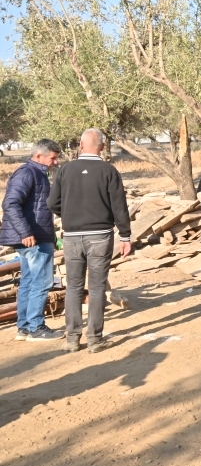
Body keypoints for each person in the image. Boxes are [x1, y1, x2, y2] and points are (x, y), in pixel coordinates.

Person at [47, 129, 132, 353]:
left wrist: (69, 215)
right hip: (100, 236)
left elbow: (52, 202)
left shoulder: (65, 170)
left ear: (80, 145)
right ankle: (95, 339)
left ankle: (72, 338)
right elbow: (119, 207)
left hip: (72, 237)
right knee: (96, 288)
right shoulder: (108, 171)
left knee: (73, 287)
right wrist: (125, 235)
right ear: (102, 147)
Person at [1, 140, 63, 342]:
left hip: (34, 236)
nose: (55, 162)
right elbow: (10, 203)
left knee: (28, 281)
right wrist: (26, 232)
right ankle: (36, 327)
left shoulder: (36, 173)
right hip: (32, 237)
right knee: (42, 281)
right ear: (39, 156)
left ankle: (25, 327)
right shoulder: (28, 173)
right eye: (52, 158)